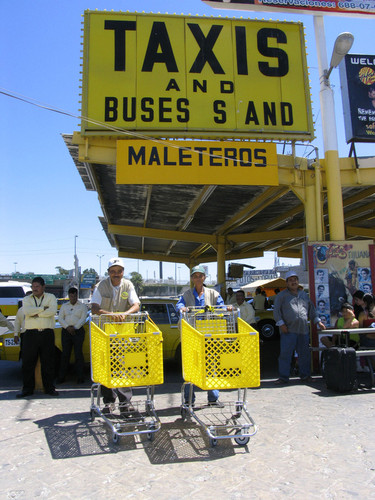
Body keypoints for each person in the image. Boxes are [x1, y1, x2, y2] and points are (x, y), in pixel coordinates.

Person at [91, 257, 140, 414]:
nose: (116, 274)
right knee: (107, 367)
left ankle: (125, 403)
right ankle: (109, 402)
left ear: (123, 272)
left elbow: (136, 305)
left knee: (123, 367)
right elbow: (94, 307)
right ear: (109, 273)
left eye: (119, 271)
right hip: (105, 334)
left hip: (123, 334)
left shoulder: (128, 285)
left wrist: (124, 314)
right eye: (113, 271)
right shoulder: (101, 286)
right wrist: (110, 315)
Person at [176, 264, 225, 406]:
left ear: (204, 278)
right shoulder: (186, 294)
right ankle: (188, 399)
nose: (198, 278)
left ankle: (213, 398)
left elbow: (221, 306)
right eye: (195, 276)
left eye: (200, 276)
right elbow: (179, 306)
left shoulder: (213, 293)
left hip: (209, 335)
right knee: (190, 368)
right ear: (192, 279)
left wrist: (225, 308)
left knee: (211, 366)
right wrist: (182, 308)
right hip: (192, 336)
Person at [273, 270, 325, 384]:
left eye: (295, 280)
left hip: (303, 331)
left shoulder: (304, 295)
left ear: (298, 282)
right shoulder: (281, 296)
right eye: (290, 280)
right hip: (288, 330)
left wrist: (318, 322)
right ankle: (283, 377)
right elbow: (276, 311)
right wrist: (281, 324)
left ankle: (305, 376)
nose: (293, 282)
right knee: (285, 355)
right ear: (286, 283)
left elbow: (312, 310)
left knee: (304, 354)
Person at [16, 277, 58, 398]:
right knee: (28, 362)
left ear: (43, 287)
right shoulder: (26, 299)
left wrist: (36, 313)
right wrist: (43, 309)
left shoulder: (51, 297)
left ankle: (49, 388)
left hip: (47, 333)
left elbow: (52, 311)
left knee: (48, 362)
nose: (34, 289)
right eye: (33, 287)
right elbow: (27, 312)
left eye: (37, 286)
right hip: (30, 334)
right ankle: (27, 389)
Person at [57, 287, 88, 384]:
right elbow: (60, 318)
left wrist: (75, 328)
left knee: (78, 354)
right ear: (68, 296)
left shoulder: (82, 306)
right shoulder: (64, 306)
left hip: (78, 331)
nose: (73, 298)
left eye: (75, 296)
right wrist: (67, 327)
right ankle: (61, 377)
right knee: (65, 354)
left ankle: (80, 377)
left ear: (77, 296)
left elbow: (83, 319)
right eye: (71, 296)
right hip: (66, 331)